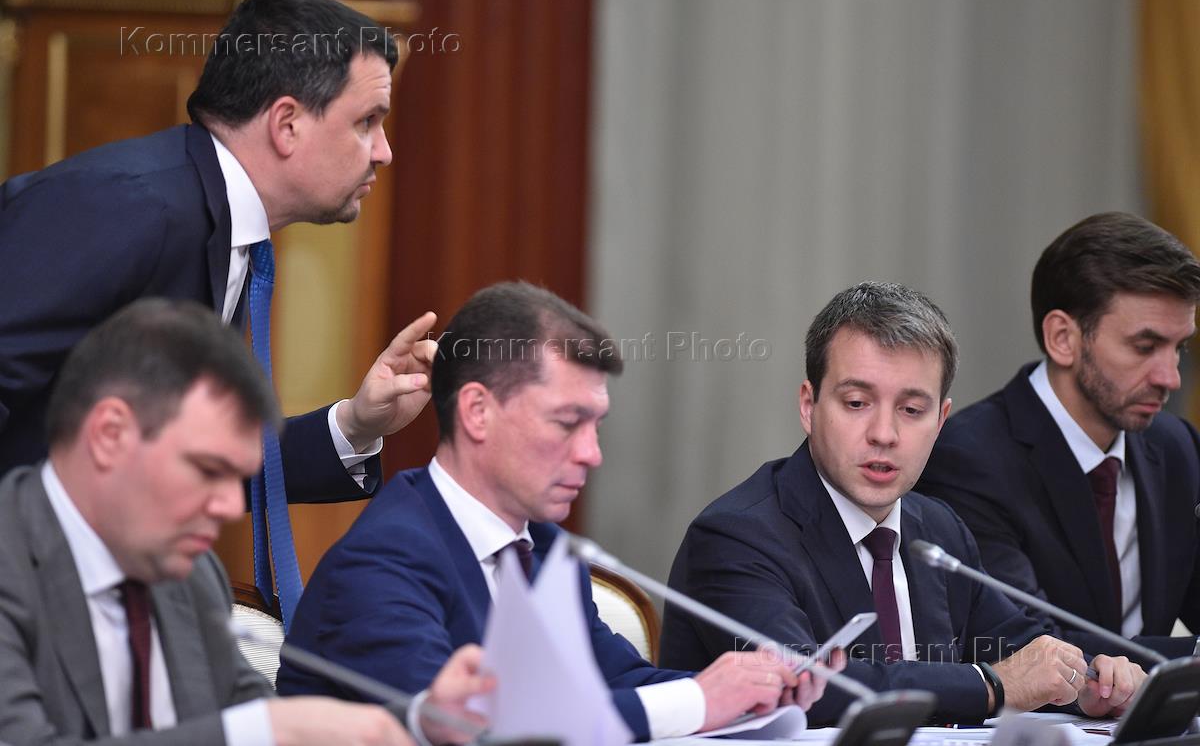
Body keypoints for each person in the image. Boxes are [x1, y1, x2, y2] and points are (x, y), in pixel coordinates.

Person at [276, 282, 834, 741]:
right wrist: (698, 700)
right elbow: (475, 729)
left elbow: (616, 680)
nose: (592, 454)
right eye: (568, 424)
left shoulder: (541, 545)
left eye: (596, 426)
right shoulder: (381, 563)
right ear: (477, 412)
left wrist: (753, 692)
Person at [0, 0, 436, 500]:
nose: (384, 151)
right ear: (287, 125)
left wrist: (355, 424)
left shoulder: (223, 223)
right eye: (366, 121)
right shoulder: (125, 205)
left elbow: (190, 459)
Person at [0, 298, 489, 746]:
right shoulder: (13, 560)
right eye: (208, 470)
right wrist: (260, 730)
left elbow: (260, 719)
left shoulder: (190, 576)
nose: (229, 506)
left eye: (236, 477)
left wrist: (418, 721)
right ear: (110, 435)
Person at [660, 282, 1145, 726]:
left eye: (912, 410)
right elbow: (803, 686)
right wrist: (991, 686)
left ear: (941, 420)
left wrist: (1085, 684)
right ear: (809, 406)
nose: (884, 434)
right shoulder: (736, 537)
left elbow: (1018, 648)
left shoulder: (936, 529)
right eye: (856, 403)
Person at [919, 212, 1200, 661]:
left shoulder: (1176, 446)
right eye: (1145, 347)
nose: (1171, 377)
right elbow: (1028, 643)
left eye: (1179, 348)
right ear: (1063, 338)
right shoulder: (968, 459)